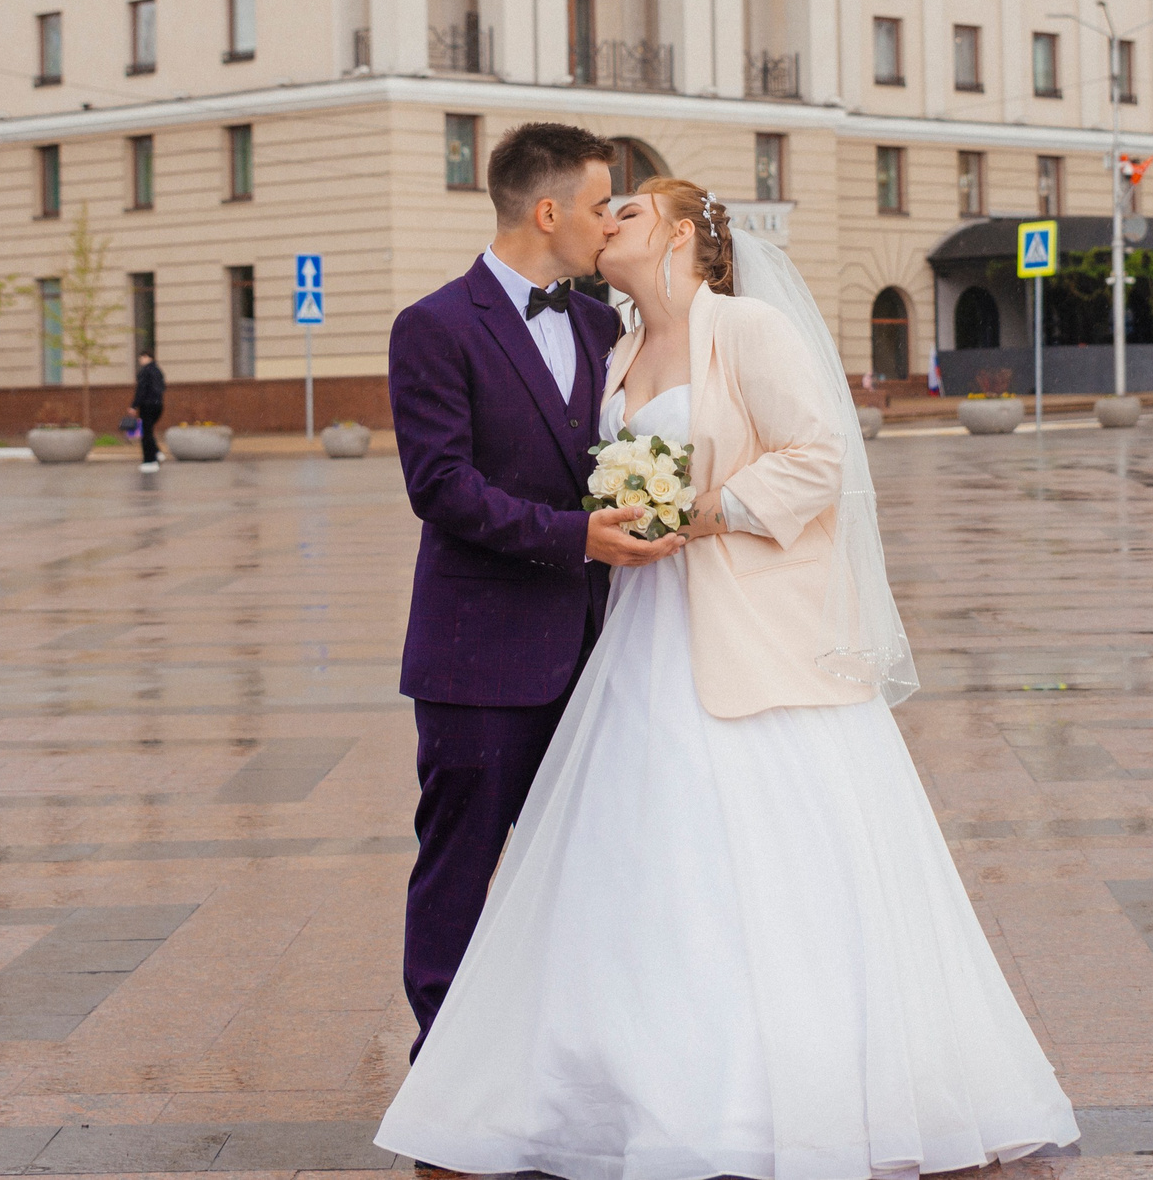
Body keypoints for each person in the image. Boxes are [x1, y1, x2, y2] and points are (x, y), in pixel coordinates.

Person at [377, 178, 1077, 1175]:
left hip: (745, 628)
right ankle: (601, 1082)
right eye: (599, 207)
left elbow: (819, 457)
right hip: (635, 635)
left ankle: (779, 1094)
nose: (608, 219)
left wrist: (705, 513)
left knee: (768, 861)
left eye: (629, 210)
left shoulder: (746, 330)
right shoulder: (612, 345)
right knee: (633, 862)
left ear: (680, 237)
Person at [383, 122, 678, 1058]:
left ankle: (566, 1052)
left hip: (595, 658)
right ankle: (447, 1063)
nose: (609, 224)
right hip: (477, 659)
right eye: (600, 205)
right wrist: (573, 536)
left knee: (589, 868)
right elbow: (441, 486)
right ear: (547, 211)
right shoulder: (432, 327)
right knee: (460, 867)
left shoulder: (601, 325)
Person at [131, 351, 165, 471]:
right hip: (158, 404)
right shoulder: (158, 371)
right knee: (149, 431)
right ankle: (156, 452)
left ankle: (150, 460)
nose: (140, 361)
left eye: (141, 358)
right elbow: (162, 387)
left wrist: (134, 405)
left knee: (146, 433)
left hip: (147, 405)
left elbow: (141, 390)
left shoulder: (145, 371)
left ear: (146, 357)